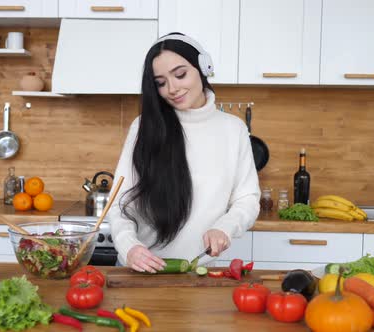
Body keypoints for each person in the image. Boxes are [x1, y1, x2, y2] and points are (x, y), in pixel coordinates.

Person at [107, 33, 260, 273]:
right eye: (160, 82)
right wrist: (129, 247)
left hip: (201, 270)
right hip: (141, 270)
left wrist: (225, 227)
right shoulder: (143, 127)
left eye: (180, 75)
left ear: (203, 68)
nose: (172, 88)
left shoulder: (233, 129)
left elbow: (247, 198)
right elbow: (119, 202)